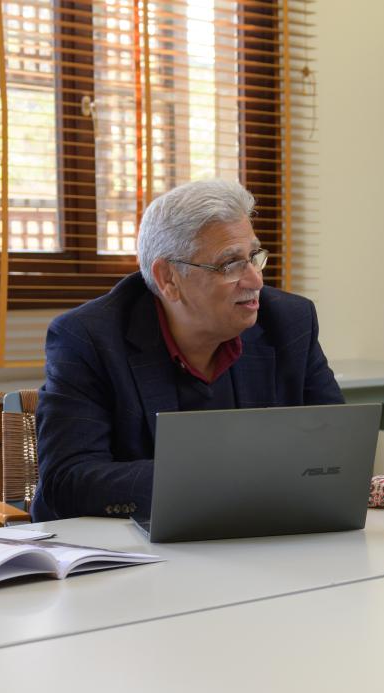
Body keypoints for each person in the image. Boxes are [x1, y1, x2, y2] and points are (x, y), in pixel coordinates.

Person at [32, 179, 343, 521]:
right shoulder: (89, 338)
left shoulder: (289, 322)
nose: (255, 280)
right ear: (168, 279)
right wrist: (214, 480)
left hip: (263, 542)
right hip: (137, 551)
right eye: (230, 264)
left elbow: (337, 450)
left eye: (253, 257)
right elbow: (68, 480)